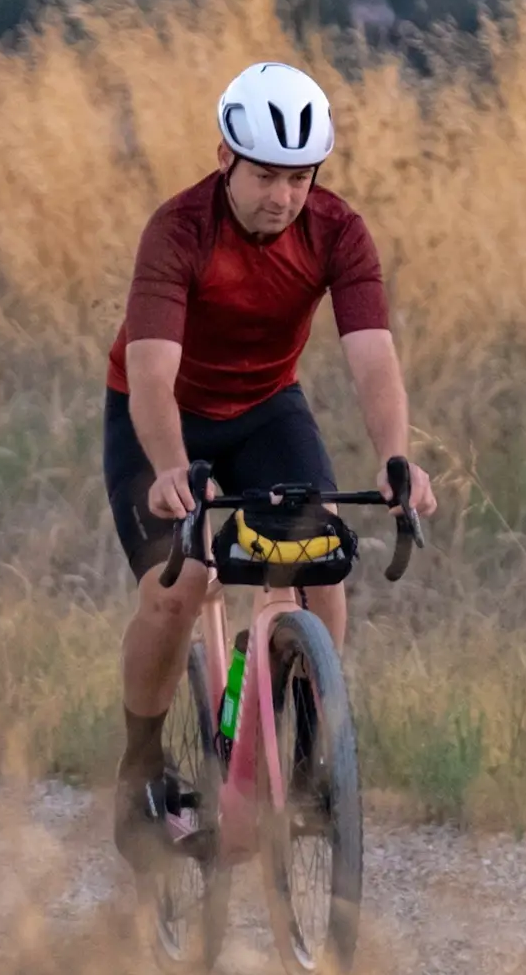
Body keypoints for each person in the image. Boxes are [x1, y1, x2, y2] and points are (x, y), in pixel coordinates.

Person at [103, 59, 438, 861]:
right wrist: (174, 468)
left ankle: (315, 759)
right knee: (174, 592)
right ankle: (141, 769)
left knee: (321, 565)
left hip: (264, 409)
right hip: (161, 411)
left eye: (298, 178)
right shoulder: (179, 229)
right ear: (225, 159)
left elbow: (372, 357)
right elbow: (151, 370)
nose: (281, 196)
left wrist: (396, 460)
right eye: (263, 175)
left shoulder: (339, 231)